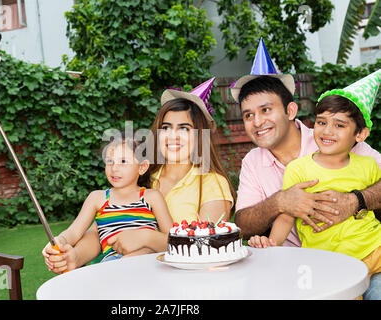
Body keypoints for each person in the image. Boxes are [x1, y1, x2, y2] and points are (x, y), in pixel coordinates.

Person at [231, 39, 381, 299]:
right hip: (298, 268)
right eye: (248, 115)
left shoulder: (331, 138)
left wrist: (356, 200)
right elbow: (243, 225)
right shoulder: (253, 161)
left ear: (290, 110)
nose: (257, 122)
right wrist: (281, 201)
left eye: (265, 110)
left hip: (366, 254)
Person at [42, 78, 235, 272]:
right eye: (166, 127)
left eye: (184, 128)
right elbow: (102, 228)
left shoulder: (211, 183)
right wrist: (74, 257)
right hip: (130, 277)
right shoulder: (142, 176)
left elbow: (208, 247)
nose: (172, 136)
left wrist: (147, 237)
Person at [248, 84, 381, 286]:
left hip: (375, 247)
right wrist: (272, 246)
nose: (327, 131)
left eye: (339, 125)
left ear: (360, 135)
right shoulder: (299, 170)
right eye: (321, 122)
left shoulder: (368, 165)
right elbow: (286, 217)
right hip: (331, 263)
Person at [42, 132, 173, 263]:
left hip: (147, 260)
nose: (114, 168)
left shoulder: (152, 196)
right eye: (110, 161)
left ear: (142, 167)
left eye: (123, 161)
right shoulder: (97, 198)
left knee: (146, 252)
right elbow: (74, 232)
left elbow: (172, 240)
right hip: (112, 263)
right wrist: (59, 241)